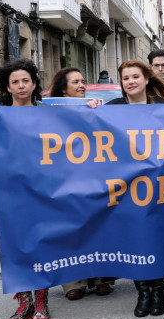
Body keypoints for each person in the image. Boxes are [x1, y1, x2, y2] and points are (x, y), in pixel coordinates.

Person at [92, 60, 164, 317]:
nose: (130, 81)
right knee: (134, 239)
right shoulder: (112, 109)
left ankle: (158, 291)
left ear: (146, 79)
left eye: (135, 77)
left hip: (160, 187)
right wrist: (89, 109)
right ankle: (142, 292)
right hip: (126, 188)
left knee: (156, 237)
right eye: (126, 78)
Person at [0, 59, 52, 319]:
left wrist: (90, 109)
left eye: (25, 81)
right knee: (14, 244)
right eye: (15, 82)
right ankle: (24, 301)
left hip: (41, 191)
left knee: (41, 241)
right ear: (8, 87)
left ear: (34, 84)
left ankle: (41, 299)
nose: (21, 86)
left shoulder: (47, 114)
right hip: (8, 193)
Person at [48, 67, 115, 299]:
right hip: (65, 178)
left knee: (98, 225)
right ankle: (72, 282)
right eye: (75, 82)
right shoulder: (50, 113)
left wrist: (97, 112)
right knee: (70, 228)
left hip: (95, 177)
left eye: (83, 81)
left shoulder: (96, 108)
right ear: (63, 91)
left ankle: (100, 278)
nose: (82, 85)